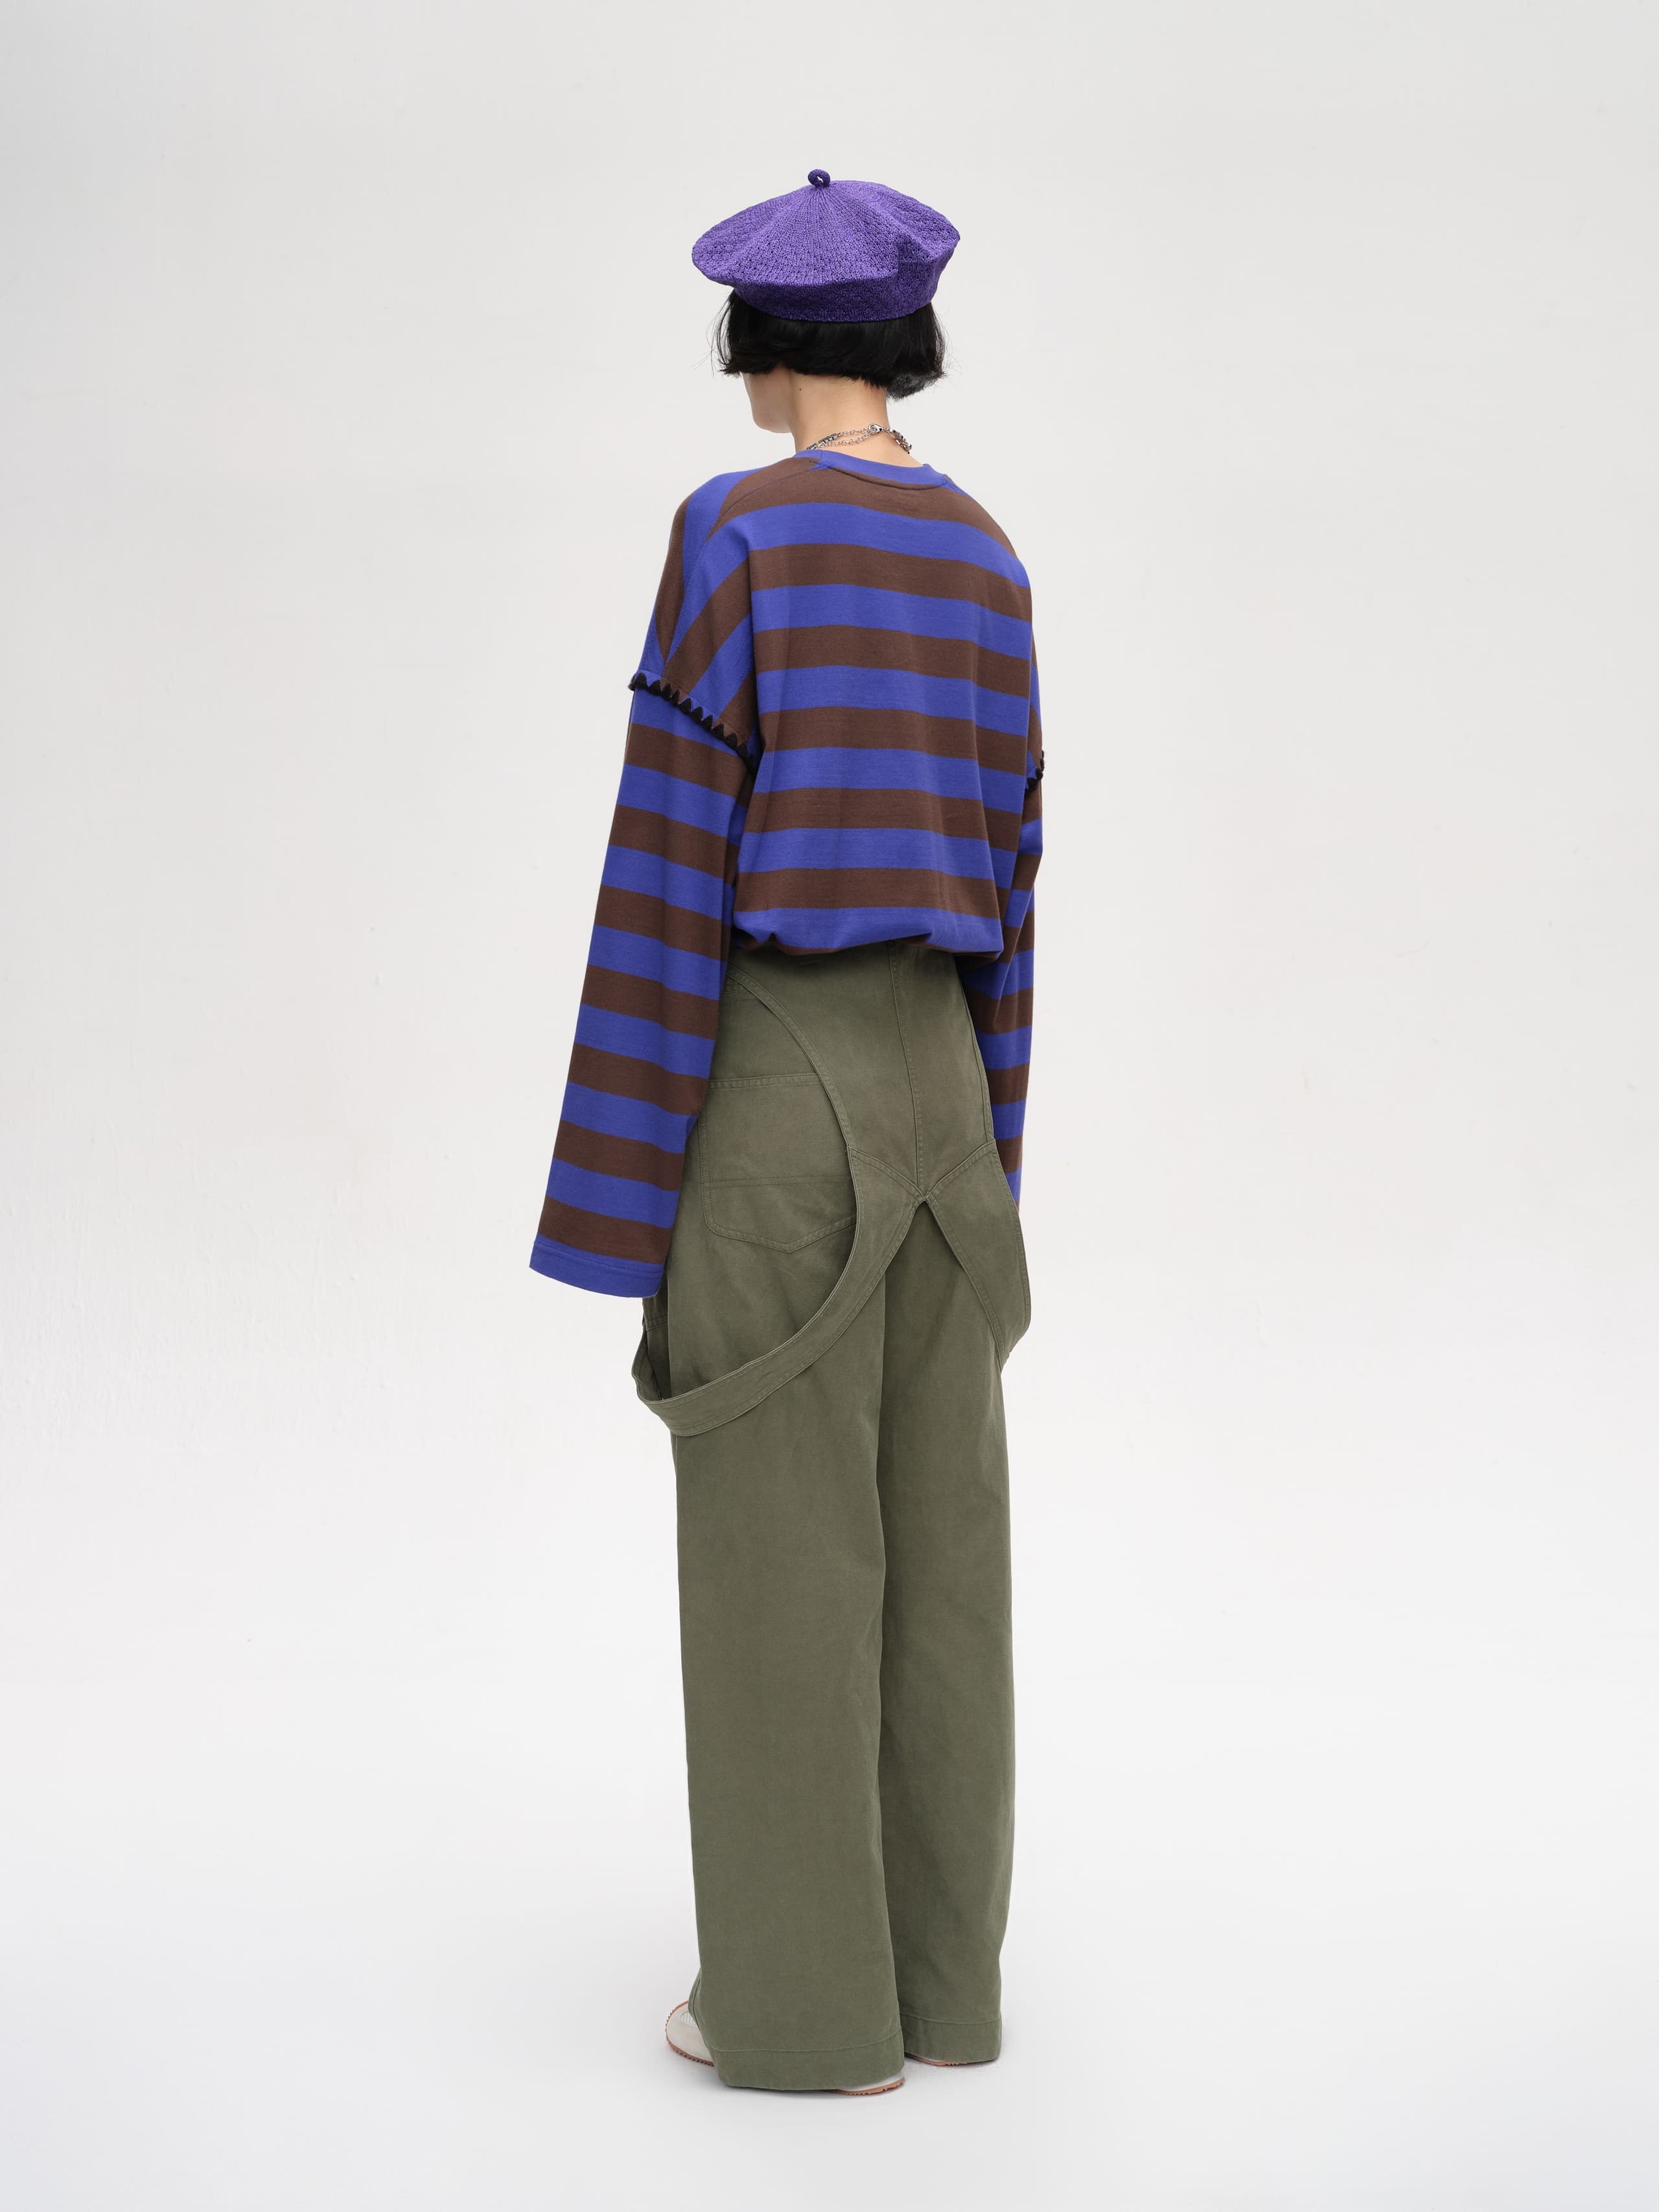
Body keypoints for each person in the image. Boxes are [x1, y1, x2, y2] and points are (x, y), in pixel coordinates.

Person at [530, 170, 1043, 2095]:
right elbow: (1017, 876)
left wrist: (612, 1204)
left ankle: (803, 2021)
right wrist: (995, 1169)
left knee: (779, 1563)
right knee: (945, 1563)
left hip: (778, 1089)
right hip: (943, 1105)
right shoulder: (989, 557)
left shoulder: (735, 533)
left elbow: (669, 869)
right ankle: (944, 1997)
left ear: (760, 341)